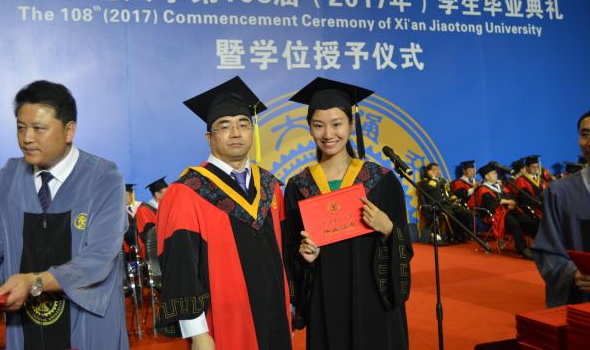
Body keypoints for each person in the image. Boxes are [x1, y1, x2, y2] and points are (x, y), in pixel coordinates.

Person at [0, 80, 128, 349]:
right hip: (27, 325)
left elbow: (100, 256)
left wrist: (35, 282)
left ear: (69, 130)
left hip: (86, 324)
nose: (27, 138)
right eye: (21, 127)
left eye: (38, 128)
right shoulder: (8, 177)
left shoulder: (103, 177)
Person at [156, 77, 291, 350]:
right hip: (224, 323)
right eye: (225, 126)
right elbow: (181, 267)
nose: (236, 133)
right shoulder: (188, 191)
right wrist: (198, 333)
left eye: (243, 124)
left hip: (276, 314)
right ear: (209, 138)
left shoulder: (270, 185)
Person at [283, 77, 412, 350]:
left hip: (373, 298)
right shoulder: (299, 187)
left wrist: (389, 229)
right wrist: (305, 258)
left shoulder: (381, 180)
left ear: (351, 125)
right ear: (309, 128)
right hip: (326, 299)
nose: (328, 134)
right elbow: (291, 249)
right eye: (318, 125)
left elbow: (404, 248)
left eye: (337, 124)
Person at [532, 110, 590, 307]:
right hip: (579, 303)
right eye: (585, 134)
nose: (589, 141)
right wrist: (573, 274)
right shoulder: (559, 192)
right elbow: (547, 249)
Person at [474, 162, 538, 260]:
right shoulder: (482, 190)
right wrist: (506, 201)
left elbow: (511, 197)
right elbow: (490, 205)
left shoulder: (499, 187)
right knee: (514, 223)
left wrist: (511, 203)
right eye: (493, 173)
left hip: (508, 212)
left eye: (496, 173)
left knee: (528, 220)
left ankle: (540, 244)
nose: (496, 175)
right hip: (495, 215)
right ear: (486, 176)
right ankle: (523, 249)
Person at [419, 163, 472, 243]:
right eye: (435, 170)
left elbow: (448, 192)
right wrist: (433, 178)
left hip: (448, 205)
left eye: (438, 169)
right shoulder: (425, 183)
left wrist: (454, 199)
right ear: (429, 172)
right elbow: (430, 189)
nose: (438, 171)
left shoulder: (443, 181)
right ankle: (455, 236)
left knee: (466, 213)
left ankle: (464, 234)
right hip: (437, 206)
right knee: (451, 214)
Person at [136, 176, 168, 250]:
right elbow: (149, 234)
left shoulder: (167, 208)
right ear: (157, 194)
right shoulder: (144, 210)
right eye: (167, 193)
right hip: (152, 250)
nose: (170, 195)